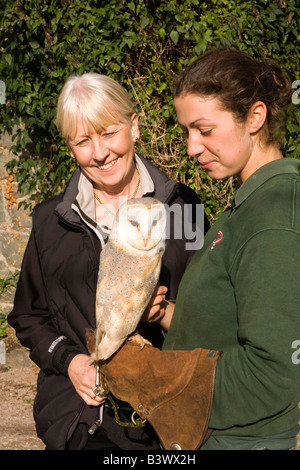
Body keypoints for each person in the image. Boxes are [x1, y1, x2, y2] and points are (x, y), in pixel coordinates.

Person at [98, 48, 300, 450]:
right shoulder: (247, 203)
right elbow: (232, 324)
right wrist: (171, 315)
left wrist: (163, 381)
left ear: (255, 118)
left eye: (204, 130)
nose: (191, 147)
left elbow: (276, 372)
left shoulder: (273, 218)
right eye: (187, 131)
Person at [8, 73, 209, 450]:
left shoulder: (184, 210)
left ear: (134, 127)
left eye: (109, 133)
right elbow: (28, 316)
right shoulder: (52, 222)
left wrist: (164, 310)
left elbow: (212, 313)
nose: (99, 153)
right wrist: (69, 362)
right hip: (81, 421)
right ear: (70, 147)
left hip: (166, 422)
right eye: (83, 141)